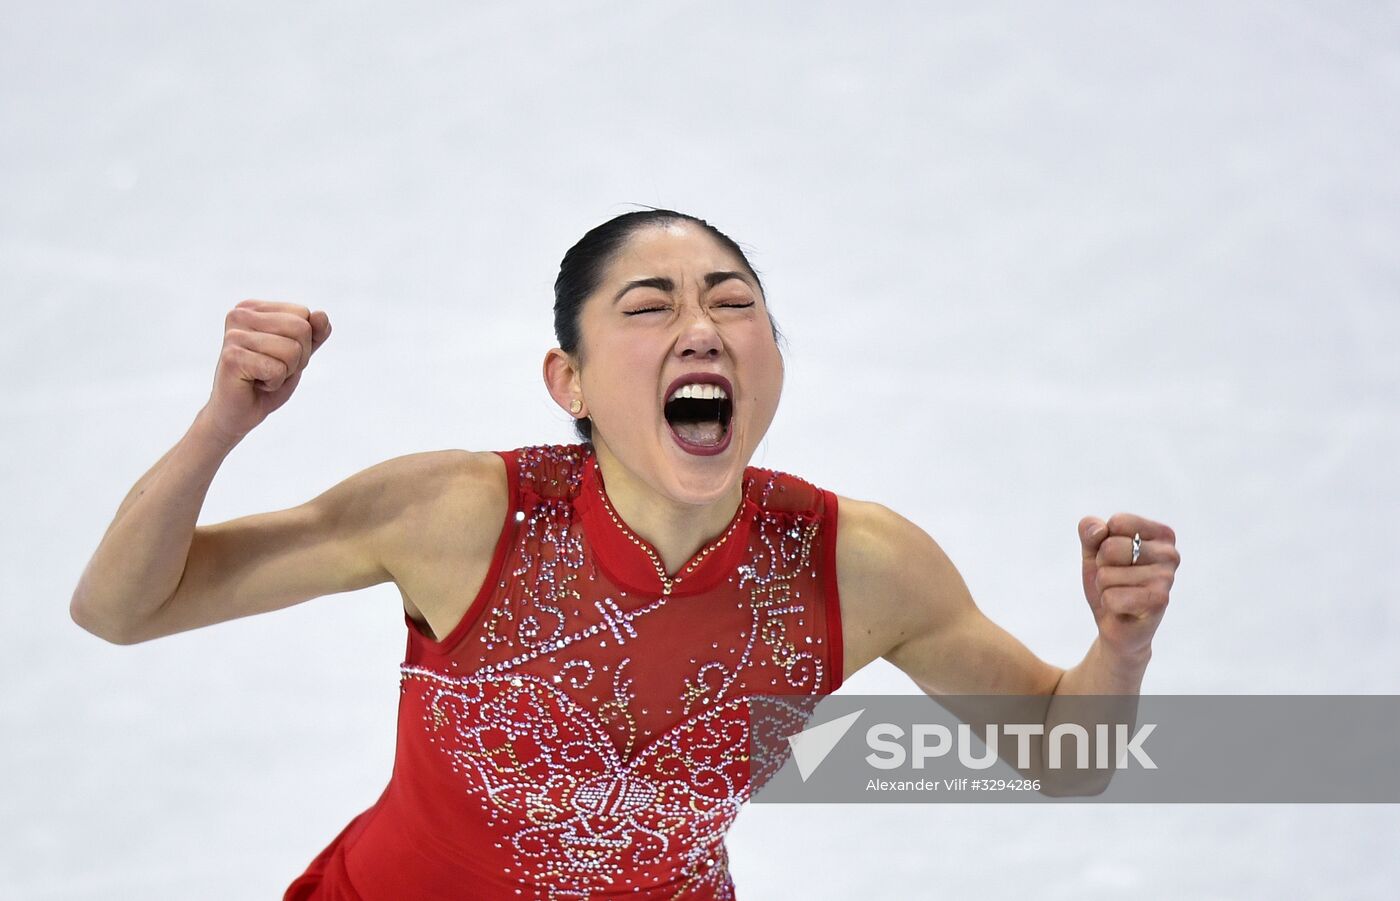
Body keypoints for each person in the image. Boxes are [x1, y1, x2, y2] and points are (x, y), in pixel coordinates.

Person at [70, 208, 1180, 900]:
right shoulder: (460, 515)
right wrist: (223, 423)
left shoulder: (856, 564)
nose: (701, 325)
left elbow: (1060, 755)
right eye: (650, 307)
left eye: (733, 302)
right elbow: (122, 607)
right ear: (571, 382)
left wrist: (1116, 646)